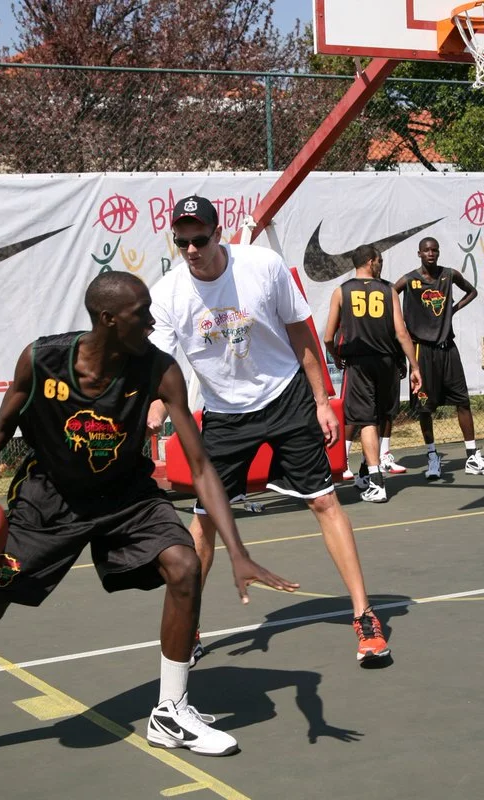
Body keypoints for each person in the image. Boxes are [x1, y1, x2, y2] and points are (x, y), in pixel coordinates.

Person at [0, 272, 297, 788]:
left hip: (125, 496)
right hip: (49, 500)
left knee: (183, 564)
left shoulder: (160, 371)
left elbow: (201, 466)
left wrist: (238, 549)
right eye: (142, 313)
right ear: (109, 320)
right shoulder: (42, 358)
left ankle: (170, 712)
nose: (153, 321)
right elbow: (2, 427)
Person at [148, 195, 391, 664]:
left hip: (286, 397)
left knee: (324, 501)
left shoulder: (263, 266)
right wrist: (155, 406)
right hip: (223, 414)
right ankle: (189, 627)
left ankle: (364, 614)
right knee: (204, 521)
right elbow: (159, 365)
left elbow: (301, 332)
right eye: (183, 242)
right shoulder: (168, 294)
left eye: (200, 239)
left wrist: (322, 402)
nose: (193, 249)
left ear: (218, 235)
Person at [393, 236, 484, 480]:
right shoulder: (410, 280)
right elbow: (389, 294)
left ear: (438, 252)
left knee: (462, 401)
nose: (431, 254)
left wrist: (454, 307)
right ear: (419, 254)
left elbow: (472, 291)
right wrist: (399, 322)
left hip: (447, 348)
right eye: (426, 250)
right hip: (422, 350)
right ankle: (432, 456)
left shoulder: (449, 275)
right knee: (424, 407)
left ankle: (472, 456)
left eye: (434, 250)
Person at [322, 245, 421, 503]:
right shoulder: (388, 290)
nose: (382, 264)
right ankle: (366, 472)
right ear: (369, 262)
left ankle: (376, 480)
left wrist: (336, 356)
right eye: (380, 260)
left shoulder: (341, 292)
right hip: (387, 362)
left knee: (365, 420)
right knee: (377, 417)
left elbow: (328, 337)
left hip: (359, 363)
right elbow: (402, 333)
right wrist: (415, 366)